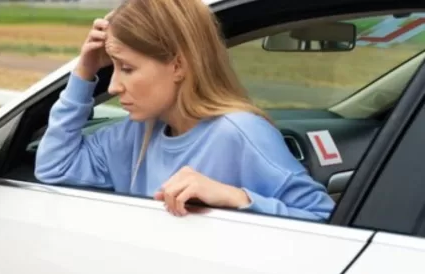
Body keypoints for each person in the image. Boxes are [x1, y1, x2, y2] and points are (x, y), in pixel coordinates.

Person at [34, 0, 335, 221]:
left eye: (126, 68)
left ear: (178, 65)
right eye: (112, 68)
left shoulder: (239, 132)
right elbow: (53, 167)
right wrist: (85, 70)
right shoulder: (134, 133)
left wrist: (236, 198)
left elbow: (321, 215)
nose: (112, 86)